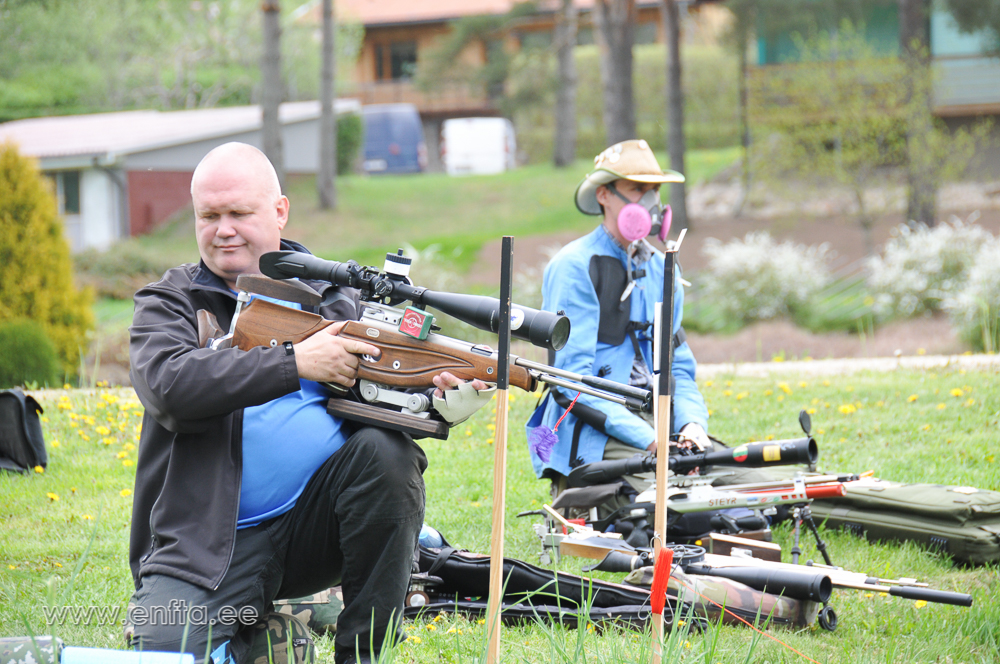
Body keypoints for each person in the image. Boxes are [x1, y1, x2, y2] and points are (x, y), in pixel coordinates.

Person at [126, 142, 486, 664]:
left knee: (388, 453)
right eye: (209, 216)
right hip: (203, 549)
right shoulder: (170, 301)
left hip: (316, 530)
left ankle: (360, 653)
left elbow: (387, 400)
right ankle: (261, 635)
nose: (223, 229)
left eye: (238, 213)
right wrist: (295, 362)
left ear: (279, 212)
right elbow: (170, 388)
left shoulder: (337, 295)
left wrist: (440, 401)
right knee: (162, 654)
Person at [527, 139, 719, 495]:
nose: (650, 201)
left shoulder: (666, 271)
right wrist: (650, 440)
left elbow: (679, 368)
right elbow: (572, 383)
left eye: (654, 190)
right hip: (595, 431)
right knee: (678, 499)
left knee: (741, 479)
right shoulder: (574, 268)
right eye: (637, 189)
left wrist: (692, 425)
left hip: (659, 423)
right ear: (604, 195)